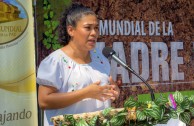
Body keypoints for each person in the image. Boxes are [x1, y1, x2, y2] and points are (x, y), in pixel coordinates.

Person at [36, 3, 120, 126]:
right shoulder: (55, 62)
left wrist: (113, 92)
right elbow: (44, 101)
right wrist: (86, 93)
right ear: (71, 30)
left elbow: (101, 96)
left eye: (96, 28)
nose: (94, 33)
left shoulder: (100, 59)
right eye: (88, 28)